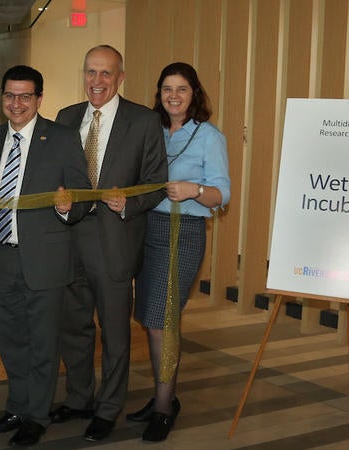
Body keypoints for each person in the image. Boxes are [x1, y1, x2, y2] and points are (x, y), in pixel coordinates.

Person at [51, 44, 168, 442]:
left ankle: (108, 407)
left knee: (115, 333)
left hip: (116, 239)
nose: (97, 81)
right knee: (74, 327)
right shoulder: (66, 117)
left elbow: (156, 182)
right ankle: (80, 397)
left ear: (120, 78)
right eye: (90, 72)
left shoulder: (144, 121)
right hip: (70, 239)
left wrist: (129, 202)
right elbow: (57, 176)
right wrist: (60, 198)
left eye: (106, 74)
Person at [0, 65, 92, 447]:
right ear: (2, 98)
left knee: (43, 343)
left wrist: (65, 207)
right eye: (10, 95)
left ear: (39, 99)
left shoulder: (61, 139)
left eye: (25, 96)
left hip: (46, 259)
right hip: (3, 258)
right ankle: (18, 406)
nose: (17, 103)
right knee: (11, 341)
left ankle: (36, 416)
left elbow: (82, 195)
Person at [127, 62, 230, 442]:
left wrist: (194, 190)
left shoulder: (208, 137)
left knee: (163, 320)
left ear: (194, 94)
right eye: (167, 88)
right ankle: (163, 395)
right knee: (150, 318)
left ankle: (164, 407)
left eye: (181, 89)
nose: (173, 95)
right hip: (147, 229)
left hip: (182, 232)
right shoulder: (150, 131)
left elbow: (223, 194)